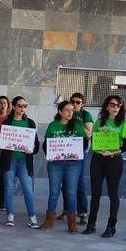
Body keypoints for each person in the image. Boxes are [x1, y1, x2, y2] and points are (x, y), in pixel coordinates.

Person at [83, 95, 126, 238]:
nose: (115, 108)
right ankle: (91, 225)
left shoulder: (124, 123)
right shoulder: (99, 121)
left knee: (113, 194)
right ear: (107, 106)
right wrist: (97, 146)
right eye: (113, 105)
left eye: (118, 105)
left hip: (114, 160)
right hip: (97, 159)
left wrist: (111, 152)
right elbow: (94, 141)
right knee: (95, 193)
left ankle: (111, 227)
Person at [40, 100, 88, 233]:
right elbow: (46, 145)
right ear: (60, 112)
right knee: (54, 192)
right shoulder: (53, 126)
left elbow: (84, 143)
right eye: (67, 110)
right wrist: (52, 155)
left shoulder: (78, 125)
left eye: (72, 110)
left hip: (73, 164)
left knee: (71, 192)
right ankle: (49, 220)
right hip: (55, 164)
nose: (70, 112)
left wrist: (76, 154)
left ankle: (72, 223)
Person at [0, 96, 39, 228]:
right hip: (9, 160)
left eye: (25, 106)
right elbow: (1, 145)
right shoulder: (6, 123)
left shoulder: (30, 123)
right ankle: (10, 215)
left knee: (28, 188)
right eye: (20, 106)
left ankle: (32, 217)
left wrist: (31, 148)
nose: (22, 108)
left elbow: (36, 146)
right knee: (9, 187)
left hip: (24, 161)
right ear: (13, 107)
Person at [58, 92, 94, 223]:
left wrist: (77, 122)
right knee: (65, 182)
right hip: (65, 150)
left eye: (78, 102)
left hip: (80, 152)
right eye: (72, 101)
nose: (74, 104)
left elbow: (89, 134)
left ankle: (83, 212)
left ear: (82, 104)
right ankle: (67, 210)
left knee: (80, 182)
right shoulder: (66, 112)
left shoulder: (85, 115)